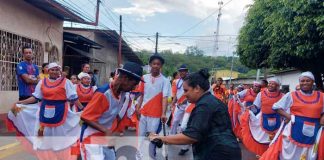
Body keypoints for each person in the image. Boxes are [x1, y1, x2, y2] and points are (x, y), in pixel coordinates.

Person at [149, 69, 241, 160]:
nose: (184, 94)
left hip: (219, 153)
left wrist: (161, 138)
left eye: (186, 90)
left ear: (197, 88)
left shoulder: (204, 106)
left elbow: (191, 136)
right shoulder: (209, 101)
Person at [9, 62, 80, 159]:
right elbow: (35, 97)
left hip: (61, 112)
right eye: (52, 69)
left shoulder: (66, 82)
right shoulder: (42, 82)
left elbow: (73, 98)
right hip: (44, 112)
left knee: (61, 136)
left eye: (56, 69)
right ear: (48, 71)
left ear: (59, 71)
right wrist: (21, 102)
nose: (54, 71)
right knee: (45, 136)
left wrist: (82, 108)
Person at [80, 62, 143, 160]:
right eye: (134, 84)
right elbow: (85, 116)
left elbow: (116, 116)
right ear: (125, 79)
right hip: (91, 138)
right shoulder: (104, 93)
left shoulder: (123, 94)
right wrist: (106, 131)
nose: (134, 88)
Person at [261, 72, 324, 160]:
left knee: (309, 154)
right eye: (302, 81)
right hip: (294, 129)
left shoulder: (321, 96)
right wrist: (289, 117)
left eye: (307, 81)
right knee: (291, 154)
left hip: (314, 131)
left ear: (313, 82)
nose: (305, 83)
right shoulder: (291, 95)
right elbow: (276, 107)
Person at [135, 53, 171, 159]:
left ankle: (150, 156)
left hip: (155, 114)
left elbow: (165, 97)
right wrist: (137, 108)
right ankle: (139, 156)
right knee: (140, 136)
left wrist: (163, 113)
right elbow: (141, 95)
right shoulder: (144, 78)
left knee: (152, 137)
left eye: (158, 64)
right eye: (154, 63)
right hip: (143, 112)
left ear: (161, 66)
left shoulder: (165, 80)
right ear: (150, 64)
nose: (156, 66)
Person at [240, 78, 283, 156]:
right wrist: (249, 110)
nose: (270, 85)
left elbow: (285, 108)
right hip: (263, 118)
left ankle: (272, 154)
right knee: (263, 138)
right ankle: (264, 154)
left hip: (278, 120)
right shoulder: (261, 94)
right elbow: (256, 106)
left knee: (275, 138)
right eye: (269, 83)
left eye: (273, 84)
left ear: (277, 86)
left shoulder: (282, 95)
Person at [170, 64, 191, 155]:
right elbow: (176, 94)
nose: (182, 72)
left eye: (184, 71)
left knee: (184, 126)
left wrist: (184, 100)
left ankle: (185, 147)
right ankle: (171, 138)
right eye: (180, 71)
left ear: (187, 71)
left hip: (188, 106)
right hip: (179, 106)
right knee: (175, 121)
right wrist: (173, 102)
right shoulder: (177, 81)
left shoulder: (191, 81)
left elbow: (191, 93)